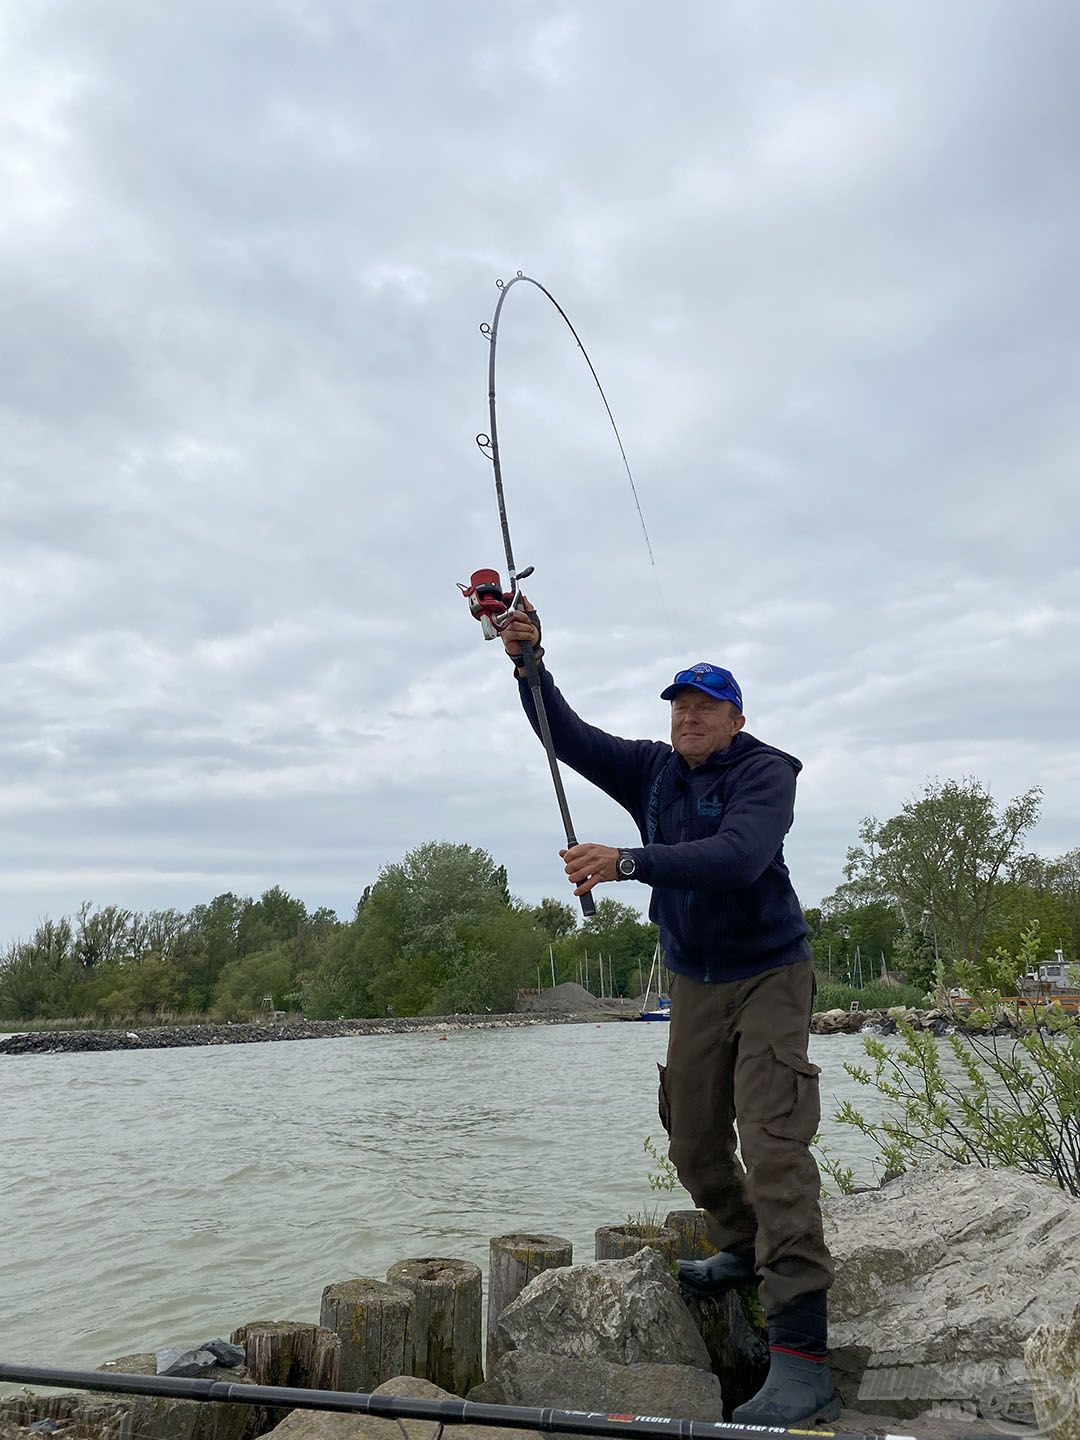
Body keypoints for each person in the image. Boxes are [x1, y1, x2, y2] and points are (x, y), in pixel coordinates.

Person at [498, 605, 838, 1427]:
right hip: (694, 975)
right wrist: (529, 666)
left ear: (736, 720)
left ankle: (802, 1354)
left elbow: (738, 858)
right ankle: (743, 1243)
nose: (687, 718)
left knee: (773, 1140)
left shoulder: (766, 774)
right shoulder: (652, 769)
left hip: (769, 972)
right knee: (691, 1134)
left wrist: (627, 861)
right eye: (678, 706)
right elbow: (566, 738)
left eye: (704, 707)